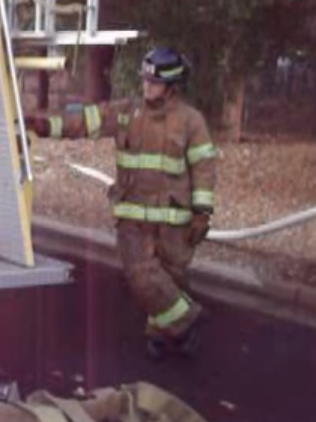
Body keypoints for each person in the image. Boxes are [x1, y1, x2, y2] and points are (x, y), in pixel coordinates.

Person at [24, 47, 217, 360]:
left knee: (171, 279)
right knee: (141, 277)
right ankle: (188, 319)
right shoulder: (127, 112)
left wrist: (202, 213)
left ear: (171, 87)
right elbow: (86, 121)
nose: (147, 87)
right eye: (145, 80)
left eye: (154, 83)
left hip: (174, 220)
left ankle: (165, 335)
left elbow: (204, 168)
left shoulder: (191, 121)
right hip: (132, 218)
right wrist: (45, 126)